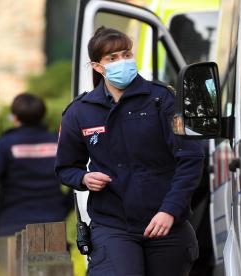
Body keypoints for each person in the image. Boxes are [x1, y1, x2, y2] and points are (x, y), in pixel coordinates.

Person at [55, 26, 204, 276]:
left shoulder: (164, 100)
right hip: (113, 226)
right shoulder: (80, 111)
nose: (122, 62)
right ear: (97, 67)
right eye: (112, 58)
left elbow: (191, 158)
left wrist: (169, 210)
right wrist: (83, 178)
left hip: (166, 224)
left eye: (126, 54)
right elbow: (65, 168)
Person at [0, 93, 72, 236]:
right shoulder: (57, 143)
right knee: (54, 259)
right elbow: (78, 175)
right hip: (53, 222)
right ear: (42, 116)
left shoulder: (4, 145)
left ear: (15, 118)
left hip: (11, 222)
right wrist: (64, 206)